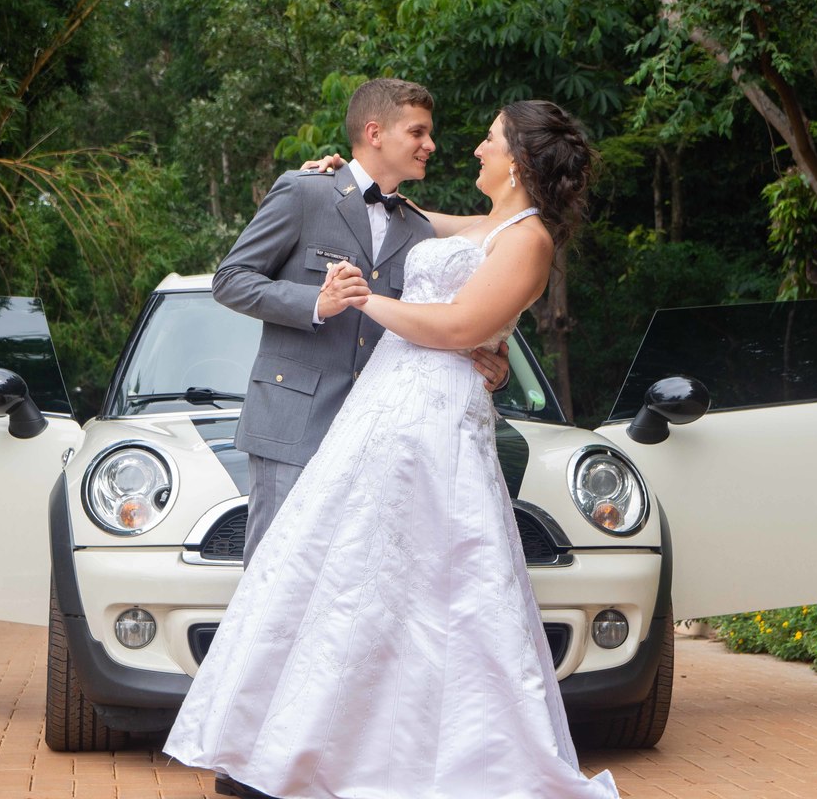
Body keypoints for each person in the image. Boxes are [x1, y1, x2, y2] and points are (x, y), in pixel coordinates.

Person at [164, 99, 618, 799]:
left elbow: (461, 324)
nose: (470, 148)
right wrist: (331, 178)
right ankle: (271, 751)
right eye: (423, 132)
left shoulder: (529, 239)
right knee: (329, 577)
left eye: (489, 139)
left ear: (519, 160)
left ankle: (403, 757)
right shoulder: (470, 223)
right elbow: (385, 211)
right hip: (371, 413)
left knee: (428, 586)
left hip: (432, 419)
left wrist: (365, 301)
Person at [210, 77, 509, 567]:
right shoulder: (303, 192)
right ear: (375, 133)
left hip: (379, 437)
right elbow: (230, 280)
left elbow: (438, 320)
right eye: (417, 132)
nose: (430, 145)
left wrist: (491, 362)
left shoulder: (420, 230)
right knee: (274, 574)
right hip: (293, 423)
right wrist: (317, 302)